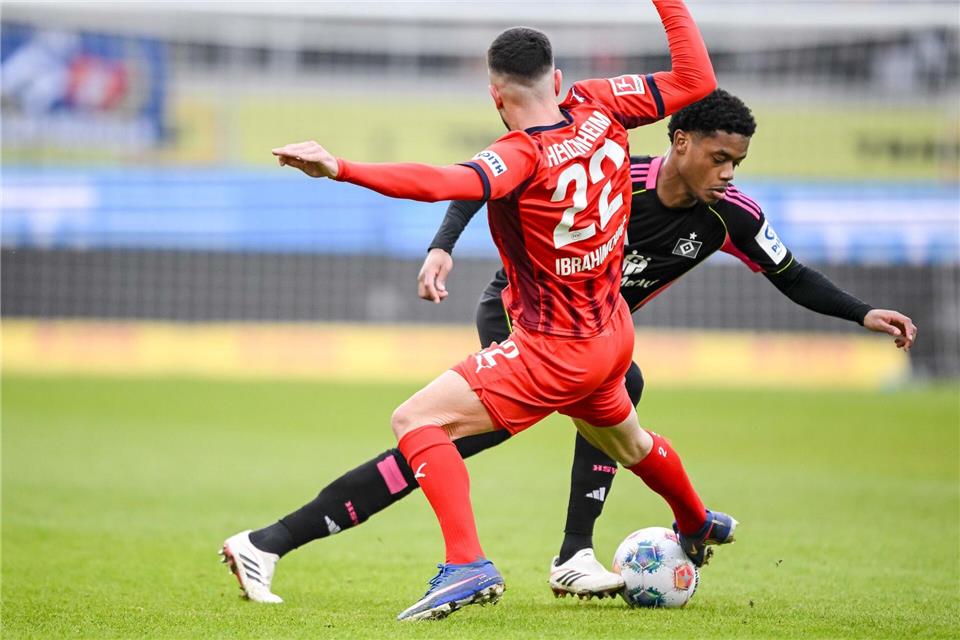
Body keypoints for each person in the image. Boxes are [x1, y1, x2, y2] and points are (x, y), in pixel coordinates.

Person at [220, 88, 918, 611]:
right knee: (450, 437)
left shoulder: (728, 217)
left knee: (473, 438)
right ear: (678, 141)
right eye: (719, 156)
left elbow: (790, 274)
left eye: (738, 161)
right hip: (522, 323)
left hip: (590, 341)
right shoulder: (615, 177)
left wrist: (861, 313)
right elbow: (481, 179)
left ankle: (271, 542)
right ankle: (580, 552)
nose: (730, 172)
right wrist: (441, 246)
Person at [222, 0, 727, 622]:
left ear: (495, 96)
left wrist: (340, 167)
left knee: (415, 421)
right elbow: (696, 82)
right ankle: (694, 520)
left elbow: (441, 182)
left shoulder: (521, 155)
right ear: (559, 79)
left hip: (552, 345)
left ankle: (466, 564)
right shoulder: (601, 103)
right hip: (611, 331)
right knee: (630, 442)